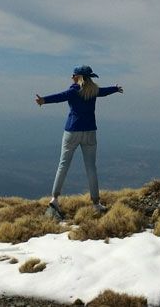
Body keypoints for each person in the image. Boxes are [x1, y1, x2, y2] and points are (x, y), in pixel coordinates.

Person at [35, 65, 123, 219]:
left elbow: (60, 97)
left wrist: (43, 100)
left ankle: (55, 199)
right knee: (91, 168)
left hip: (72, 131)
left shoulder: (74, 91)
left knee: (63, 165)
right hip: (90, 132)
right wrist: (115, 88)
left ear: (79, 77)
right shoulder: (93, 90)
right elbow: (105, 92)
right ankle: (96, 203)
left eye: (73, 75)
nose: (71, 77)